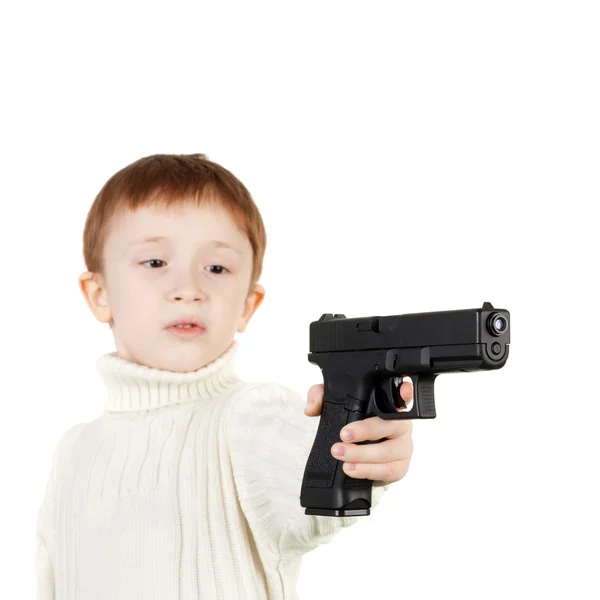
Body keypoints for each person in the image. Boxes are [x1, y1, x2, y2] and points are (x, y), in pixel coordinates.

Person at [35, 153, 414, 599]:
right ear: (99, 294)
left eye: (216, 268)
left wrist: (366, 444)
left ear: (247, 306)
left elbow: (318, 479)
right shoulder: (74, 451)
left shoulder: (250, 417)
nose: (188, 288)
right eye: (155, 262)